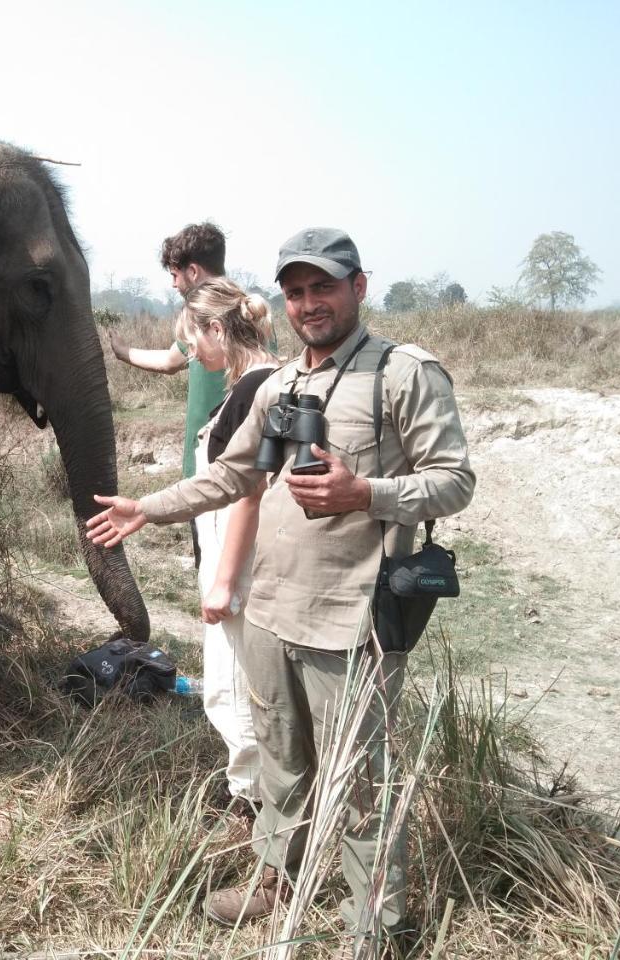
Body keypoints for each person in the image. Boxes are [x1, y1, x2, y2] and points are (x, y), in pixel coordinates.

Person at [87, 228, 475, 953]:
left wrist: (366, 492)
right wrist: (150, 507)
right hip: (269, 612)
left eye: (323, 286)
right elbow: (234, 476)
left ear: (358, 287)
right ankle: (278, 880)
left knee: (360, 786)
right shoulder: (281, 384)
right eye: (295, 291)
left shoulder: (404, 374)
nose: (308, 303)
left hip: (352, 622)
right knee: (279, 763)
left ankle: (376, 926)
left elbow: (454, 481)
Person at [177, 278, 282, 823]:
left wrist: (223, 581)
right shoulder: (268, 379)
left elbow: (248, 494)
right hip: (245, 558)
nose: (191, 352)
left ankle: (251, 807)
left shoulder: (251, 391)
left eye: (193, 338)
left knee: (232, 688)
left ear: (217, 329)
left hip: (239, 561)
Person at [108, 222, 230, 568]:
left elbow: (168, 362)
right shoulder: (240, 309)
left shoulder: (212, 315)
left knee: (218, 570)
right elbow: (170, 360)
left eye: (176, 274)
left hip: (221, 465)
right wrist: (123, 352)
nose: (174, 284)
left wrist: (122, 352)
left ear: (193, 271)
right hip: (216, 465)